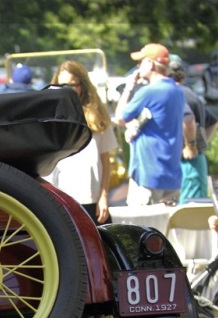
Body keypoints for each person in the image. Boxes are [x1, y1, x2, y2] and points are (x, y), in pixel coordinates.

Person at [43, 61, 118, 225]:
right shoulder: (51, 116)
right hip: (62, 197)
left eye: (71, 85)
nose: (66, 89)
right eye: (61, 85)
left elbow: (106, 162)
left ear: (82, 86)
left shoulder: (98, 117)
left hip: (91, 198)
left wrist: (104, 196)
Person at [115, 43, 187, 206]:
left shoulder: (149, 91)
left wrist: (129, 88)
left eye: (140, 63)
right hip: (172, 175)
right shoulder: (177, 91)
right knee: (165, 229)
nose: (138, 67)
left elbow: (120, 117)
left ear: (150, 63)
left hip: (148, 176)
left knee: (143, 229)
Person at [169, 56, 218, 204]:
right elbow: (214, 122)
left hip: (189, 163)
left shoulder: (178, 93)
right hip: (195, 162)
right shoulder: (189, 92)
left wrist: (190, 146)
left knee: (188, 211)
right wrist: (200, 146)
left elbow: (188, 119)